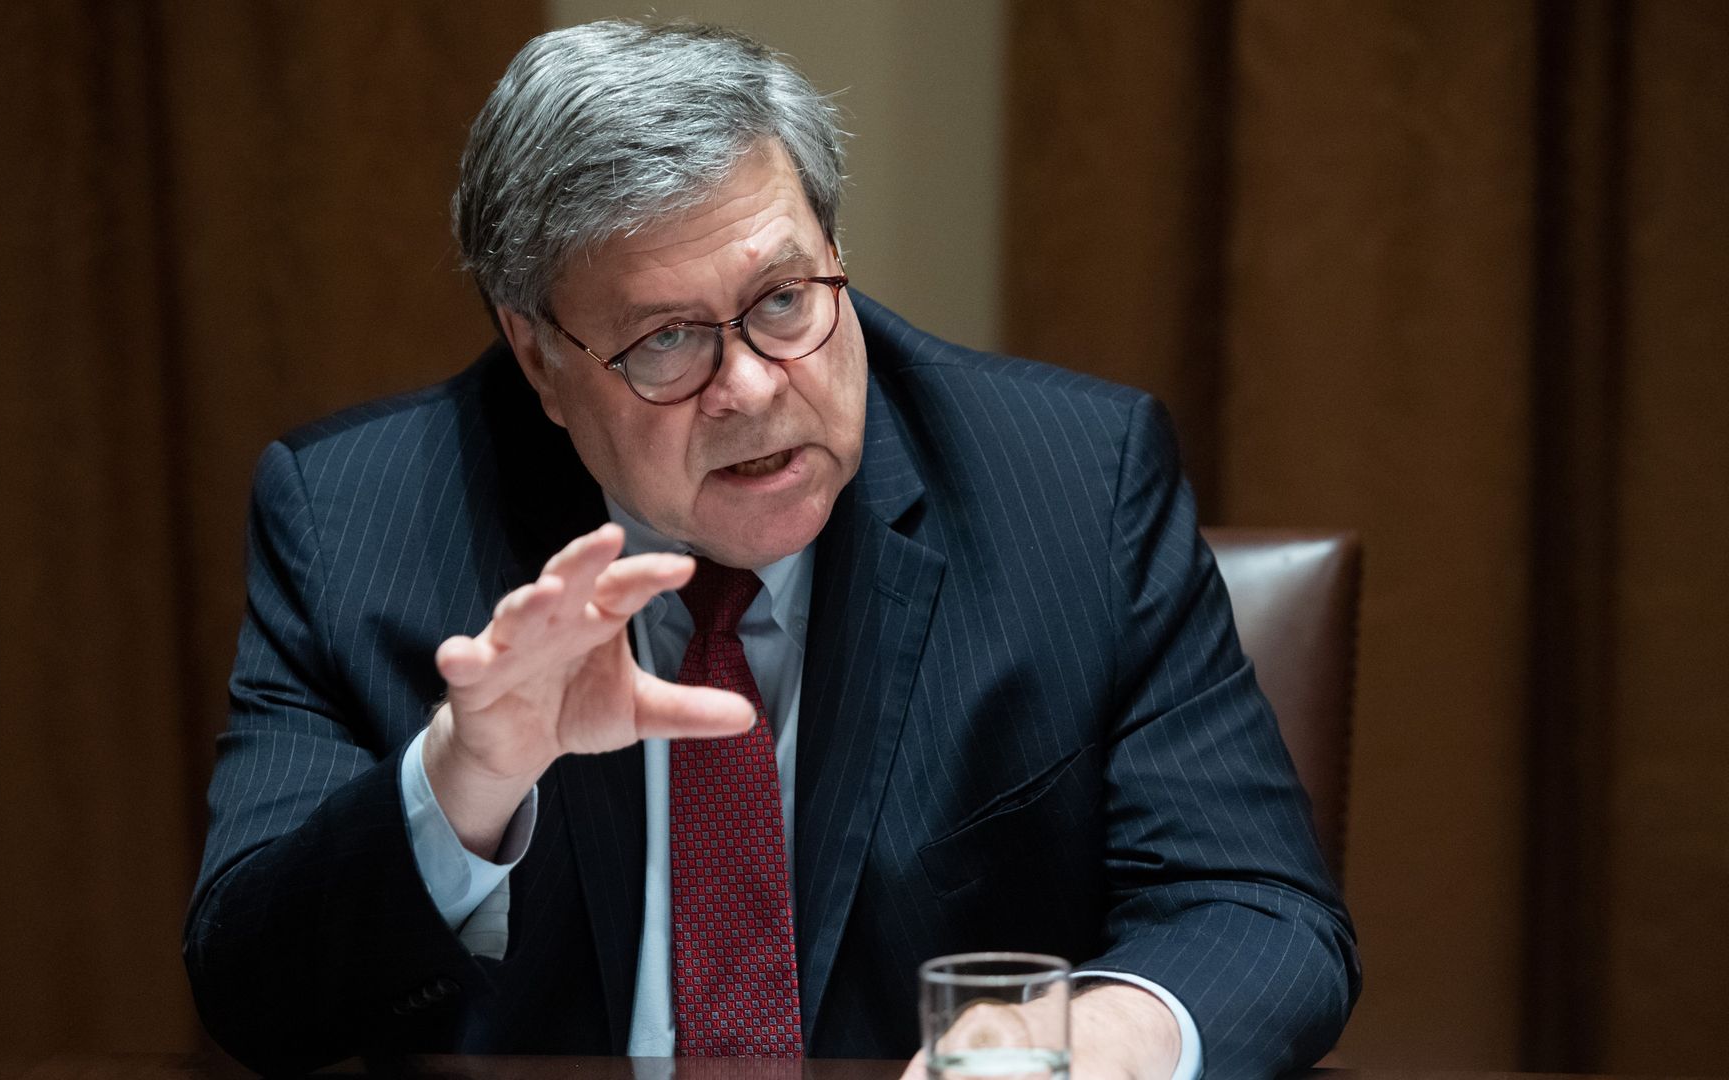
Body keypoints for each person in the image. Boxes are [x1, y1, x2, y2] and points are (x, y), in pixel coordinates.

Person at [183, 19, 1358, 1078]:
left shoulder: (1069, 482)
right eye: (665, 341)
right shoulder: (355, 523)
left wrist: (1099, 1037)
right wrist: (464, 781)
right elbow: (256, 997)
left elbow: (1256, 905)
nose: (750, 387)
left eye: (784, 299)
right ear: (538, 357)